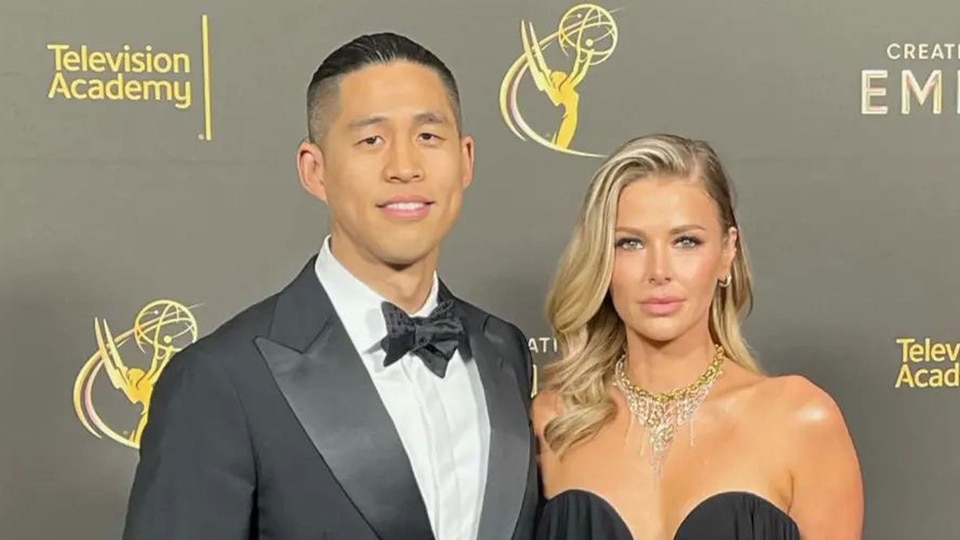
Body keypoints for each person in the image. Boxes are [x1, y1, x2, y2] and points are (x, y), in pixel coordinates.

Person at [121, 32, 539, 540]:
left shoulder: (506, 350)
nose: (405, 167)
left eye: (428, 137)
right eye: (371, 140)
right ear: (314, 170)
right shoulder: (219, 381)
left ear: (466, 159)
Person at [531, 134, 863, 540]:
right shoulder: (555, 421)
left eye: (685, 241)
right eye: (630, 243)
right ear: (601, 258)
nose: (659, 270)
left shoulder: (800, 421)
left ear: (727, 252)